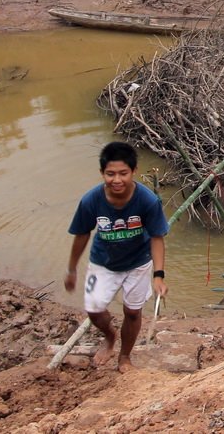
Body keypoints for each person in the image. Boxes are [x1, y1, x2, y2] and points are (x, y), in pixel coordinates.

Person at [65, 141, 168, 372]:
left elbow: (157, 238)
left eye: (123, 173)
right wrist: (71, 269)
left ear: (134, 171)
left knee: (132, 312)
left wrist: (159, 275)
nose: (117, 180)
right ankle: (110, 336)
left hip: (138, 263)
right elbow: (82, 234)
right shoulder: (91, 200)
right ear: (102, 173)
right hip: (103, 262)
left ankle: (125, 356)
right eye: (110, 174)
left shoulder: (147, 201)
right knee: (94, 309)